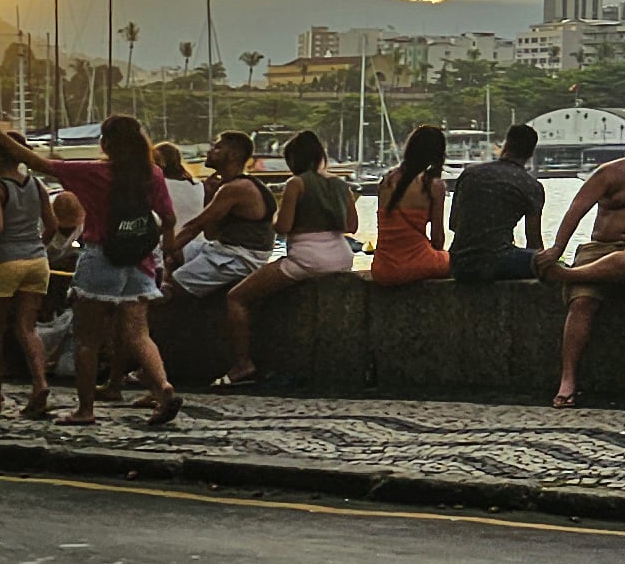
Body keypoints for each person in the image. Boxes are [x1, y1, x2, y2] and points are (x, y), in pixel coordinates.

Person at [65, 112, 183, 428]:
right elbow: (168, 219)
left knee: (87, 338)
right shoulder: (154, 174)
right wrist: (166, 253)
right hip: (140, 261)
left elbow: (38, 163)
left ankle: (85, 409)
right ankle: (162, 387)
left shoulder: (95, 173)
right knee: (138, 333)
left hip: (100, 257)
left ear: (105, 143)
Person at [542, 116, 625, 410]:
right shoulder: (610, 173)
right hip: (600, 248)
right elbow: (577, 209)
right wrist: (557, 247)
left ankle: (569, 276)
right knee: (582, 303)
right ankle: (568, 380)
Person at [216, 130, 357, 387]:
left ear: (293, 160)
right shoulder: (340, 184)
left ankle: (242, 364)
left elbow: (283, 227)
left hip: (307, 257)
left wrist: (272, 217)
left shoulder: (296, 184)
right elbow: (352, 226)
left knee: (236, 298)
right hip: (341, 255)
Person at [0, 126, 63, 418]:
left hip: (4, 261)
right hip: (36, 262)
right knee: (27, 327)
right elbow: (53, 225)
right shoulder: (37, 185)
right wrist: (37, 247)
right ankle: (40, 383)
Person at [170, 132, 278, 301]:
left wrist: (159, 251)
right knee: (175, 256)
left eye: (217, 147)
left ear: (233, 155)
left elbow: (193, 228)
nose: (210, 151)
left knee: (172, 287)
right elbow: (210, 234)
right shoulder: (226, 186)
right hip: (224, 249)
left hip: (241, 257)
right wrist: (208, 195)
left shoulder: (237, 188)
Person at [449, 123, 549, 282]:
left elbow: (454, 224)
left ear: (506, 145)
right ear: (530, 153)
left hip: (459, 263)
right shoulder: (531, 186)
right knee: (544, 260)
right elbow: (533, 240)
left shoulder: (470, 174)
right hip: (497, 262)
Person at [368, 124, 451, 289]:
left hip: (382, 268)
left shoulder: (387, 181)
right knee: (456, 262)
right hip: (415, 264)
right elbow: (437, 238)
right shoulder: (433, 185)